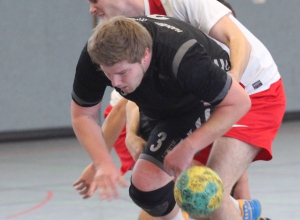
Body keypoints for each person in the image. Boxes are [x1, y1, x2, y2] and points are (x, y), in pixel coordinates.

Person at [74, 14, 251, 220]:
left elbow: (239, 102)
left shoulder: (184, 59)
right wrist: (101, 162)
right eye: (107, 74)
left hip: (203, 99)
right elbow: (83, 115)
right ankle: (237, 207)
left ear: (145, 55)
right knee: (145, 190)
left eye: (122, 73)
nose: (114, 83)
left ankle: (237, 206)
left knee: (179, 180)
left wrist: (189, 146)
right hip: (164, 105)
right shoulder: (95, 57)